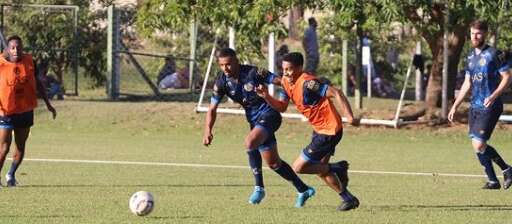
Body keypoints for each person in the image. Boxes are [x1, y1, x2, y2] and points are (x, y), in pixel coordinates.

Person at [202, 48, 314, 207]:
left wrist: (287, 94)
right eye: (221, 65)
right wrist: (208, 130)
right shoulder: (221, 82)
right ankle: (303, 189)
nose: (225, 68)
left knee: (249, 142)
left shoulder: (253, 73)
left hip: (270, 114)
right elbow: (212, 109)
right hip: (254, 121)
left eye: (228, 64)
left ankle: (259, 188)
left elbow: (281, 81)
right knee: (274, 163)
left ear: (236, 61)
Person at [256, 52, 360, 211]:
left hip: (329, 131)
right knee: (320, 169)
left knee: (299, 167)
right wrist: (266, 96)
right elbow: (282, 107)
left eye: (290, 69)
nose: (286, 73)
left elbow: (336, 93)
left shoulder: (308, 83)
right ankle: (348, 198)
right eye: (284, 69)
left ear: (299, 68)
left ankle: (338, 168)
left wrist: (350, 117)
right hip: (320, 130)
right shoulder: (286, 81)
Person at [448, 20, 512, 190]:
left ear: (485, 34)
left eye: (478, 33)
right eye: (472, 33)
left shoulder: (494, 54)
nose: (475, 36)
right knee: (476, 145)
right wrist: (455, 105)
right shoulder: (470, 56)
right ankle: (493, 180)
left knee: (479, 143)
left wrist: (494, 95)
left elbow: (507, 77)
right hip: (475, 106)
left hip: (490, 105)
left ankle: (507, 169)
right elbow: (467, 82)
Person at [0, 35, 57, 187]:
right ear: (7, 49)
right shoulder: (1, 63)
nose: (16, 50)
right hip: (6, 111)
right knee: (4, 148)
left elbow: (38, 83)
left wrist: (48, 104)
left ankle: (11, 175)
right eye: (12, 47)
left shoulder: (30, 61)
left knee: (20, 146)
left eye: (18, 47)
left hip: (25, 110)